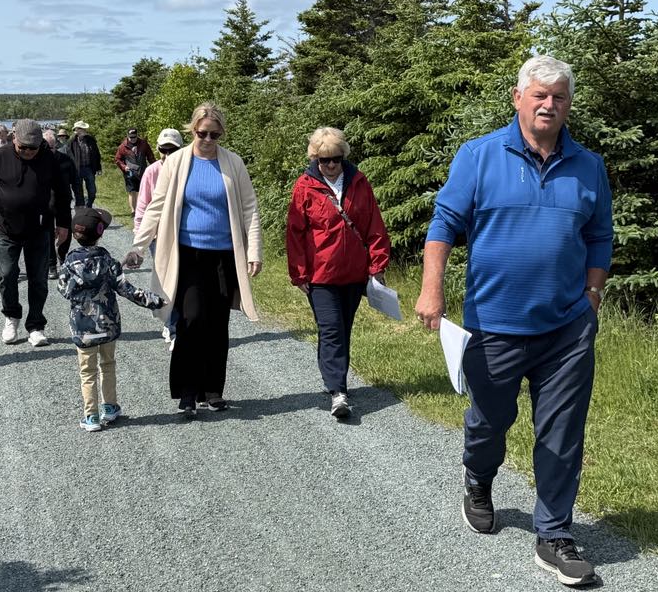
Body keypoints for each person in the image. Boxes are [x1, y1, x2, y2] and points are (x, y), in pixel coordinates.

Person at [414, 55, 612, 587]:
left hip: (567, 328)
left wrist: (592, 293)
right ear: (518, 98)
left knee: (562, 432)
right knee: (490, 421)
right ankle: (478, 479)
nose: (549, 104)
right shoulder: (479, 155)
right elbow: (445, 223)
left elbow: (599, 235)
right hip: (495, 324)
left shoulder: (588, 165)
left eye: (560, 97)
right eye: (540, 95)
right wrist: (432, 287)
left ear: (569, 104)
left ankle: (554, 534)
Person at [124, 102, 262, 418]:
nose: (208, 140)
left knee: (217, 324)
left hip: (224, 256)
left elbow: (250, 209)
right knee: (191, 319)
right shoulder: (175, 163)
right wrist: (139, 247)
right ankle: (187, 392)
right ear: (192, 130)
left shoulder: (233, 164)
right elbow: (155, 208)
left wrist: (254, 251)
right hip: (187, 254)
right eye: (202, 134)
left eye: (214, 134)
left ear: (221, 134)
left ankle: (212, 391)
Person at [285, 126, 391, 420]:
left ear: (343, 157)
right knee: (331, 329)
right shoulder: (305, 186)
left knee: (342, 329)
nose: (330, 165)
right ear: (315, 159)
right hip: (320, 276)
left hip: (354, 273)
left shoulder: (359, 182)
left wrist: (378, 265)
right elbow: (295, 233)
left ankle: (333, 377)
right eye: (323, 160)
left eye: (335, 159)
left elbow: (374, 225)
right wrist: (300, 273)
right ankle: (338, 392)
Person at [58, 207, 164, 432]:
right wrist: (155, 301)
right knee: (107, 365)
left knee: (87, 372)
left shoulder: (69, 263)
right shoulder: (108, 261)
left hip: (82, 329)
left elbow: (63, 290)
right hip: (108, 325)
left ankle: (91, 416)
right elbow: (127, 290)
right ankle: (110, 407)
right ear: (100, 233)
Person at [0, 119, 72, 348]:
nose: (28, 152)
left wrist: (64, 224)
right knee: (6, 274)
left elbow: (62, 193)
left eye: (33, 148)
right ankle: (11, 316)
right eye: (23, 147)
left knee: (39, 279)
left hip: (40, 229)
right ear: (14, 139)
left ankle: (36, 325)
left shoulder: (50, 160)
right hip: (6, 228)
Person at [134, 128, 184, 344]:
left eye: (172, 150)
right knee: (166, 281)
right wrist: (140, 242)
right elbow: (143, 206)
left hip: (184, 235)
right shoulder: (152, 171)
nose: (167, 155)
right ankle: (171, 325)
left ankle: (180, 324)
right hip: (158, 237)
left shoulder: (187, 169)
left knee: (184, 281)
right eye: (163, 150)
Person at [44, 128, 76, 278]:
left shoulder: (65, 160)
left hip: (63, 201)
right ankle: (51, 265)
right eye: (45, 146)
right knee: (48, 233)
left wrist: (80, 202)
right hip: (45, 204)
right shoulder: (38, 160)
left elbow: (76, 181)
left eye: (50, 146)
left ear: (55, 145)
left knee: (66, 232)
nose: (48, 150)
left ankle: (62, 257)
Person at [114, 128, 155, 215]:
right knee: (132, 191)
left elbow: (150, 157)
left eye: (134, 137)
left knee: (143, 191)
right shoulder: (122, 146)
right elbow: (117, 159)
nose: (132, 139)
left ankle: (142, 210)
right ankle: (133, 211)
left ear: (137, 135)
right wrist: (124, 167)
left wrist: (155, 166)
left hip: (142, 171)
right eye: (130, 137)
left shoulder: (144, 144)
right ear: (127, 136)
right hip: (129, 172)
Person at [66, 120, 102, 207]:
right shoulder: (72, 141)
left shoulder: (90, 139)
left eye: (84, 129)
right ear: (77, 130)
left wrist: (98, 167)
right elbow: (68, 156)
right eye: (82, 129)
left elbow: (96, 154)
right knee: (78, 192)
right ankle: (81, 209)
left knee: (92, 192)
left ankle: (88, 205)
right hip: (77, 169)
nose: (84, 130)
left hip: (89, 168)